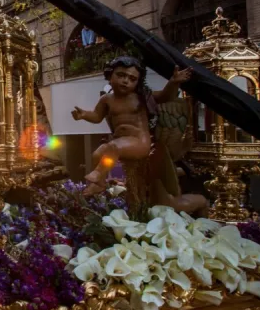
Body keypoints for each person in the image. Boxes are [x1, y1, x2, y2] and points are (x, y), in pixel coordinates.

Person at [71, 56, 208, 215]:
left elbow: (165, 96)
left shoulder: (141, 97)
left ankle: (98, 175)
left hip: (140, 142)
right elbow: (96, 116)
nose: (125, 81)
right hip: (121, 143)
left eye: (132, 79)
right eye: (121, 75)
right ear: (110, 75)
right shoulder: (106, 99)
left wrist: (173, 82)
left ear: (137, 82)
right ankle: (100, 182)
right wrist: (84, 115)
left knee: (113, 147)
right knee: (98, 152)